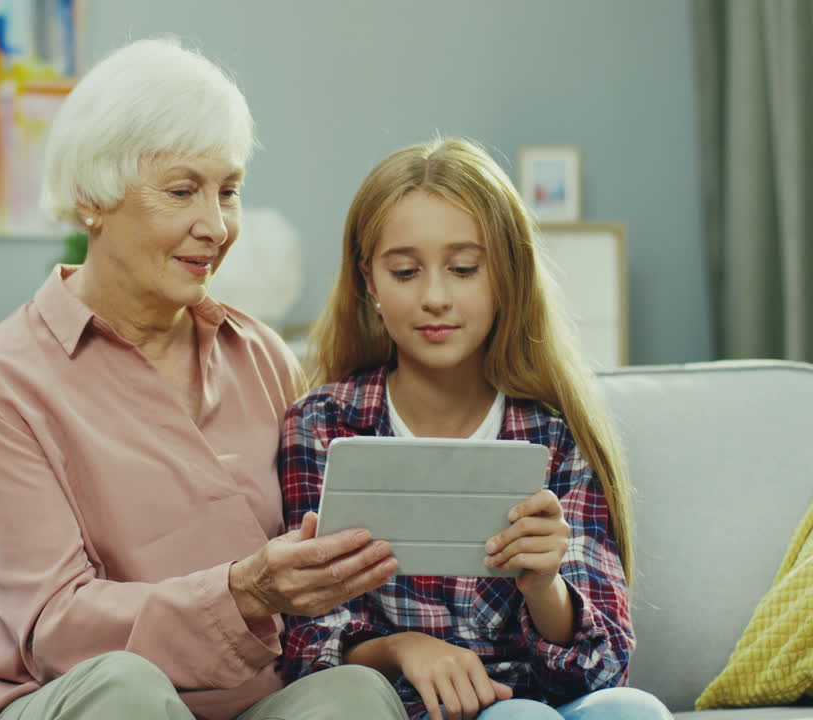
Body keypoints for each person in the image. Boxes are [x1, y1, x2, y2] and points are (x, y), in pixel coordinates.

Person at [0, 37, 408, 720]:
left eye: (229, 191)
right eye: (183, 191)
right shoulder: (0, 382)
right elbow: (57, 629)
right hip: (79, 699)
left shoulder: (264, 358)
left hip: (251, 704)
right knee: (126, 688)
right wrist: (245, 592)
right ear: (92, 200)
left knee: (354, 695)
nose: (215, 226)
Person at [279, 138, 672, 720]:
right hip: (413, 705)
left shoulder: (554, 435)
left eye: (464, 269)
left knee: (631, 709)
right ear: (369, 283)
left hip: (543, 695)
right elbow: (306, 639)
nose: (435, 297)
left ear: (505, 277)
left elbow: (604, 662)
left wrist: (544, 585)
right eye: (406, 272)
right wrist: (401, 648)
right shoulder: (322, 425)